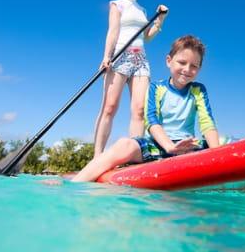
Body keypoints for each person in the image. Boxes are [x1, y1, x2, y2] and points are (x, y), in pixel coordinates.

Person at [71, 35, 220, 182]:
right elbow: (152, 122)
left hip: (188, 147)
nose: (187, 69)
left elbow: (207, 123)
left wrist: (217, 154)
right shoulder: (156, 88)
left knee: (226, 141)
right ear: (169, 61)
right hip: (159, 146)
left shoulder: (198, 90)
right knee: (125, 143)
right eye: (182, 62)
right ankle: (75, 184)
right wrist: (170, 147)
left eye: (194, 66)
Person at [93, 0, 168, 158]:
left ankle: (134, 155)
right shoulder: (116, 4)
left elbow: (147, 37)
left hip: (140, 60)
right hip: (120, 57)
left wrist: (159, 20)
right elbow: (113, 31)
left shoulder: (143, 11)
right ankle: (97, 156)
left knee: (140, 110)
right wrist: (106, 56)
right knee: (109, 107)